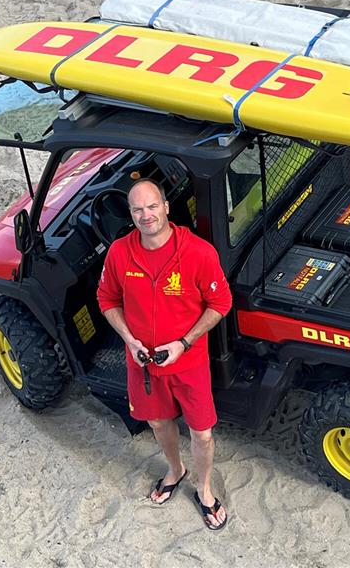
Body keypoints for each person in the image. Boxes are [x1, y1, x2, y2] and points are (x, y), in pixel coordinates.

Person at [97, 178, 232, 531]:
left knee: (201, 433)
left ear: (166, 207)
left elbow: (221, 302)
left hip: (188, 363)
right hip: (141, 363)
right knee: (157, 422)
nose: (146, 215)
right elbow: (107, 299)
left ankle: (204, 491)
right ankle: (175, 470)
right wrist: (129, 339)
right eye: (138, 209)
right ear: (131, 214)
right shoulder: (119, 253)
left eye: (152, 206)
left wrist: (184, 343)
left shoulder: (199, 253)